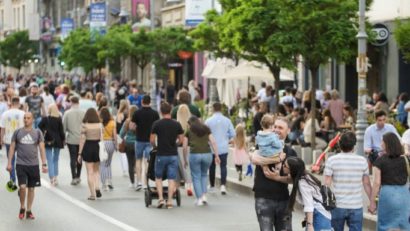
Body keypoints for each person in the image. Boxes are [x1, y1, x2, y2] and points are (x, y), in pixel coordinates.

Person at [254, 117, 297, 231]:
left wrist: (278, 178)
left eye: (280, 128)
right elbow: (254, 158)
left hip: (283, 200)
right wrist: (276, 159)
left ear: (288, 131)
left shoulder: (291, 152)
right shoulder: (262, 145)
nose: (277, 129)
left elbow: (295, 178)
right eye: (275, 127)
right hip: (263, 198)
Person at [324, 132, 372, 231]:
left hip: (338, 205)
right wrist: (372, 202)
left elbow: (326, 184)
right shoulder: (362, 161)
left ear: (339, 144)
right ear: (354, 146)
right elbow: (366, 183)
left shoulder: (332, 160)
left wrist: (324, 203)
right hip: (356, 206)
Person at [269, 157, 332, 231]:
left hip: (319, 216)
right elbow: (289, 179)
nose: (283, 166)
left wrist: (310, 225)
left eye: (285, 166)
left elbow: (309, 205)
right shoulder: (304, 176)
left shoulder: (303, 183)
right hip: (320, 215)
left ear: (292, 170)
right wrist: (277, 177)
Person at [6, 112, 47, 220]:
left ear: (32, 120)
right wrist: (9, 163)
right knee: (23, 187)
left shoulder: (38, 133)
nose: (26, 120)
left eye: (28, 118)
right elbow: (12, 148)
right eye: (24, 118)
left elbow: (42, 149)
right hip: (21, 164)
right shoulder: (18, 132)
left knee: (32, 189)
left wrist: (44, 164)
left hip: (33, 165)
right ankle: (22, 207)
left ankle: (29, 210)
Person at [368, 132, 410, 231]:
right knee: (403, 225)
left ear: (387, 144)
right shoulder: (405, 159)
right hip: (404, 194)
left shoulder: (380, 161)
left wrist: (372, 202)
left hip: (387, 194)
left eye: (382, 141)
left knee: (386, 225)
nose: (381, 144)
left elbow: (377, 183)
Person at [150, 102, 184, 209]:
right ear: (170, 111)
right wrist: (175, 144)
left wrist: (155, 146)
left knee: (158, 177)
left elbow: (151, 140)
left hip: (161, 154)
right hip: (173, 155)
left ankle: (160, 199)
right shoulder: (176, 124)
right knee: (171, 178)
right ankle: (169, 201)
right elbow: (181, 139)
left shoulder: (157, 124)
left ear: (161, 111)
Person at [182, 116, 220, 206]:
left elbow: (184, 147)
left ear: (190, 123)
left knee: (196, 176)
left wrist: (184, 159)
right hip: (207, 154)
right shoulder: (206, 129)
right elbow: (213, 142)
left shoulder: (189, 131)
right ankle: (204, 196)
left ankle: (199, 198)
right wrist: (217, 155)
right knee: (204, 175)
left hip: (194, 155)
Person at [205, 102, 235, 195]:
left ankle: (212, 186)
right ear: (221, 109)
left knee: (212, 167)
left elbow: (205, 134)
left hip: (211, 148)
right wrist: (227, 139)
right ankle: (223, 186)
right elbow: (232, 134)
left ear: (213, 109)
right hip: (223, 147)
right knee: (223, 166)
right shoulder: (227, 120)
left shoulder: (208, 121)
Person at [131, 95, 160, 190]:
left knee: (138, 160)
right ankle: (145, 183)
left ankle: (138, 182)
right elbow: (157, 127)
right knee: (147, 161)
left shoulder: (137, 113)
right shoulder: (155, 113)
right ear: (150, 102)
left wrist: (136, 128)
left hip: (139, 139)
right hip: (150, 140)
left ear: (142, 101)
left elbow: (131, 127)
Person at [0, 97, 25, 188]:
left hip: (8, 140)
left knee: (11, 161)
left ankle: (12, 180)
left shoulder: (5, 114)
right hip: (21, 140)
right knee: (21, 161)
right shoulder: (23, 113)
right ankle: (22, 180)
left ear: (11, 103)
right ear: (18, 103)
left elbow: (2, 128)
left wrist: (1, 140)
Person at [78, 108, 102, 200]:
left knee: (90, 172)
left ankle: (92, 194)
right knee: (96, 170)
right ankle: (97, 187)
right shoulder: (100, 125)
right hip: (97, 147)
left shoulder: (85, 125)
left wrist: (79, 153)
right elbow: (102, 137)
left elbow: (82, 139)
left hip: (88, 147)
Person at [38, 104, 65, 186]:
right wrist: (63, 139)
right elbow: (61, 131)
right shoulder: (59, 119)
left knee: (49, 159)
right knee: (56, 159)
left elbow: (39, 127)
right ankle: (56, 177)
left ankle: (52, 178)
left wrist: (44, 131)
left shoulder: (45, 119)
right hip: (57, 140)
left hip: (48, 140)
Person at [63, 96, 85, 185]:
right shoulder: (83, 112)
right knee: (80, 157)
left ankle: (74, 177)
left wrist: (63, 138)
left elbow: (64, 127)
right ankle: (79, 176)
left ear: (71, 102)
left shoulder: (67, 113)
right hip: (81, 139)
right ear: (78, 102)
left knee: (72, 158)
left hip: (71, 138)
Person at [99, 107, 117, 191]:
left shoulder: (100, 123)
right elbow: (115, 135)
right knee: (108, 163)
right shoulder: (113, 122)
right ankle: (109, 181)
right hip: (111, 143)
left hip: (103, 144)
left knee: (102, 164)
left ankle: (104, 184)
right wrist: (116, 145)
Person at [119, 106, 138, 188]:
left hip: (128, 144)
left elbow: (121, 134)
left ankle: (132, 182)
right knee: (138, 162)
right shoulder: (139, 122)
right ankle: (140, 182)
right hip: (138, 143)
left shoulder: (127, 122)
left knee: (130, 163)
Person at [116, 99, 129, 176]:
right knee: (127, 152)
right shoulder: (128, 113)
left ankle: (124, 170)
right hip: (128, 134)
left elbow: (118, 126)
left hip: (120, 135)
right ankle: (128, 167)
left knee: (122, 153)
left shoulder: (120, 114)